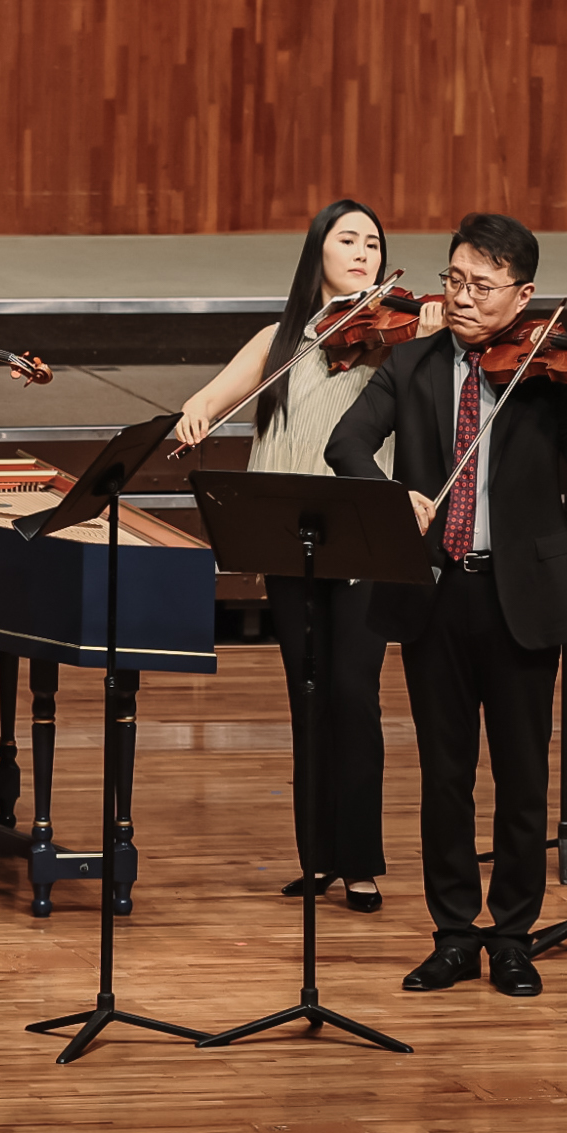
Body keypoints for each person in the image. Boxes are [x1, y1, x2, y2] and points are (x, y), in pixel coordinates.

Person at [326, 214, 567, 997]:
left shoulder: (549, 368)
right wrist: (390, 494)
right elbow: (345, 443)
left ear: (522, 294)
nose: (460, 298)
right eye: (454, 279)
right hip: (436, 594)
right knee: (445, 776)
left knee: (522, 779)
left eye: (481, 287)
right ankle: (452, 932)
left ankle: (511, 936)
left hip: (522, 595)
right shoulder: (414, 361)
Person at [166, 198, 402, 911]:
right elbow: (209, 396)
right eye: (346, 238)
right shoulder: (280, 338)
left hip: (362, 523)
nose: (362, 251)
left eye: (372, 241)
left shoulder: (392, 335)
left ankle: (359, 859)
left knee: (353, 693)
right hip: (287, 527)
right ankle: (319, 855)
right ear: (317, 252)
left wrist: (422, 331)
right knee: (306, 693)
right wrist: (197, 413)